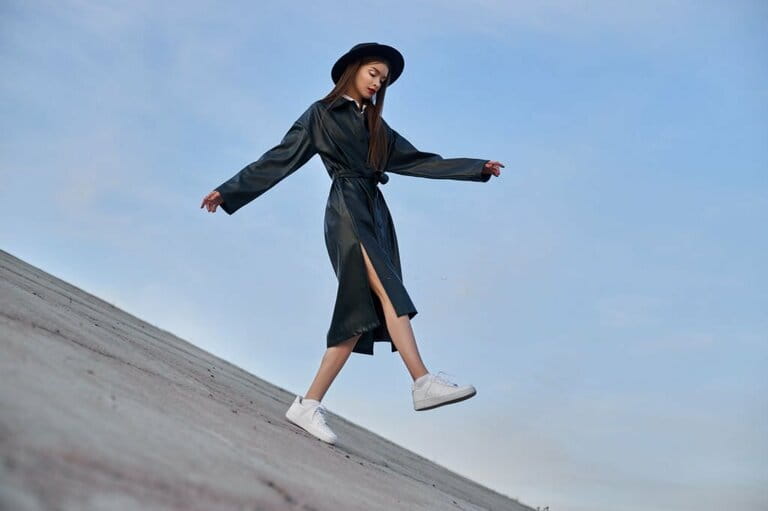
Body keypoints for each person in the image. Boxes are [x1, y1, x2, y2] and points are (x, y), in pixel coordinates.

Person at [200, 42, 504, 445]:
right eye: (373, 73)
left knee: (359, 311)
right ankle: (421, 379)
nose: (378, 83)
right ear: (354, 70)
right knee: (390, 291)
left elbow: (419, 161)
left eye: (384, 80)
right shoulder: (321, 115)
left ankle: (307, 404)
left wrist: (474, 169)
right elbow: (279, 158)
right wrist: (228, 190)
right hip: (346, 211)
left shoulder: (377, 128)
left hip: (375, 213)